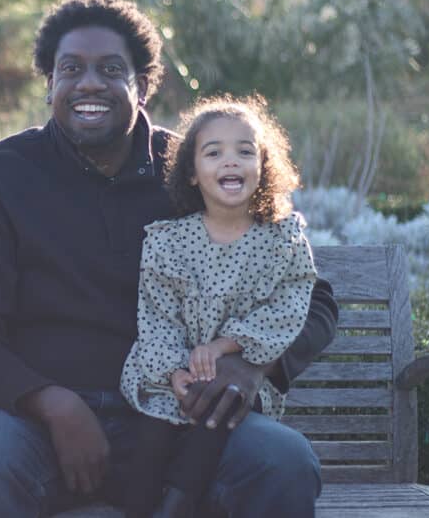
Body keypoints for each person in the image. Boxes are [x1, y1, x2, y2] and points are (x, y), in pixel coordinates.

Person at [0, 0, 339, 518]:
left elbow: (312, 296)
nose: (89, 84)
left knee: (282, 460)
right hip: (29, 421)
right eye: (71, 69)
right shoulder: (0, 177)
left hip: (179, 417)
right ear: (50, 83)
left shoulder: (194, 172)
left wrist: (251, 364)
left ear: (143, 85)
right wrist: (53, 404)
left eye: (111, 69)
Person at [117, 96, 318, 517]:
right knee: (151, 442)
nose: (231, 161)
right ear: (192, 172)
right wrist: (175, 371)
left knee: (217, 414)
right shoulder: (169, 241)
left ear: (263, 166)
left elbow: (291, 303)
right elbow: (156, 313)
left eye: (245, 151)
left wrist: (226, 349)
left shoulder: (281, 240)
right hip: (170, 377)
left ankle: (178, 504)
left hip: (238, 381)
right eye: (214, 152)